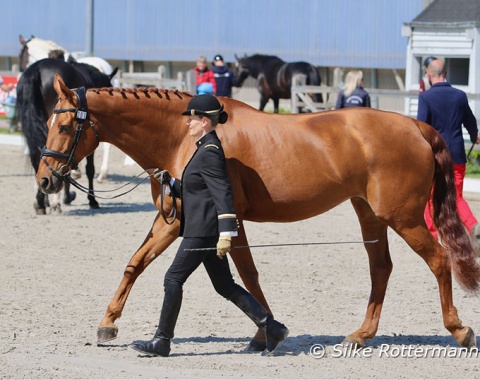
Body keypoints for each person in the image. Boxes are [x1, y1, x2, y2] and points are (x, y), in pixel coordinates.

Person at [131, 94, 289, 357]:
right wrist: (170, 183)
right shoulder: (203, 147)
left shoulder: (210, 151)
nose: (187, 123)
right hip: (202, 229)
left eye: (191, 119)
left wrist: (227, 233)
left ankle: (162, 341)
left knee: (172, 279)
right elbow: (198, 191)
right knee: (224, 285)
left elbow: (223, 193)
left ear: (204, 121)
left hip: (203, 232)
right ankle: (272, 328)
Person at [417, 59, 480, 240]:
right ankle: (473, 224)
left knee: (430, 197)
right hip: (457, 155)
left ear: (429, 75)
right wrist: (474, 134)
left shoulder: (425, 98)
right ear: (446, 74)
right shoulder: (460, 95)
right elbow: (470, 121)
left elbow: (421, 127)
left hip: (436, 156)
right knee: (457, 196)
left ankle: (434, 235)